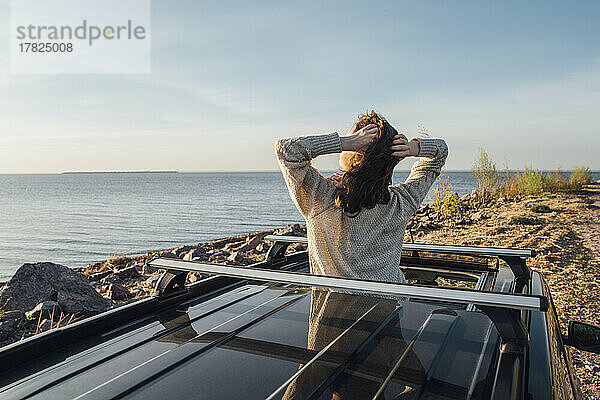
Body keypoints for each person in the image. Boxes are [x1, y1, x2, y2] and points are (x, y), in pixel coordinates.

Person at [274, 111, 448, 283]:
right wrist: (413, 148)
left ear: (357, 152)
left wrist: (344, 142)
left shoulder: (321, 198)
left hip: (333, 310)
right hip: (392, 307)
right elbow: (440, 153)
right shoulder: (402, 202)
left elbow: (288, 150)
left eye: (356, 138)